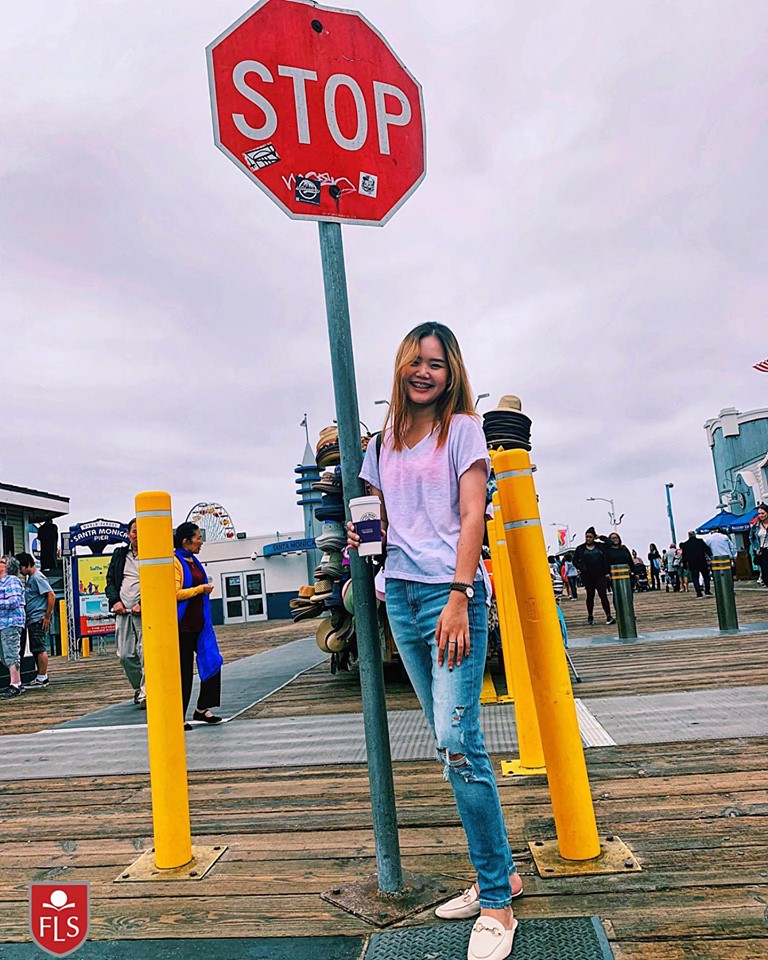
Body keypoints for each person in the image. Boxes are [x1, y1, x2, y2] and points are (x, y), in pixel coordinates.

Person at [348, 323, 521, 960]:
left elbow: (474, 514)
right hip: (398, 594)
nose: (425, 372)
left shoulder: (464, 429)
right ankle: (500, 874)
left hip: (450, 595)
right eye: (417, 361)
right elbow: (377, 517)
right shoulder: (381, 443)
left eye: (438, 364)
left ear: (452, 375)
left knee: (456, 739)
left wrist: (458, 594)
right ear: (402, 366)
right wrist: (363, 539)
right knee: (454, 746)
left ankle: (497, 902)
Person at [173, 522, 223, 729]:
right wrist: (201, 589)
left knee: (213, 661)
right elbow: (175, 593)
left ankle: (202, 708)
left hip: (201, 623)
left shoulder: (194, 561)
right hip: (182, 625)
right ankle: (179, 716)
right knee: (184, 672)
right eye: (198, 538)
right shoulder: (174, 562)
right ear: (186, 541)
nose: (201, 542)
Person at [105, 519, 145, 707]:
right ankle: (138, 686)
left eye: (142, 531)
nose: (138, 535)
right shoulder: (120, 554)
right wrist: (115, 601)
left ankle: (146, 692)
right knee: (125, 654)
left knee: (145, 653)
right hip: (123, 611)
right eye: (135, 531)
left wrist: (143, 603)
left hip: (145, 612)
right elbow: (110, 581)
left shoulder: (154, 555)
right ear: (128, 534)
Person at [16, 552, 55, 688]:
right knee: (35, 648)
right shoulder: (31, 579)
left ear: (27, 565)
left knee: (39, 647)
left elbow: (51, 595)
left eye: (21, 567)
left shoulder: (38, 578)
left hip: (38, 618)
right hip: (32, 618)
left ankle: (42, 677)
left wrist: (47, 616)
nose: (20, 571)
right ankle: (40, 675)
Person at [573, 529, 615, 626]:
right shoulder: (581, 548)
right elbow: (575, 561)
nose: (588, 539)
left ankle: (608, 615)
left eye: (590, 537)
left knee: (603, 596)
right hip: (588, 576)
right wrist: (581, 568)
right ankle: (590, 615)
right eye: (587, 537)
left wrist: (600, 536)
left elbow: (610, 543)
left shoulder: (600, 546)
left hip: (600, 575)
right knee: (590, 596)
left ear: (594, 537)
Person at [0, 556, 26, 698]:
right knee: (4, 655)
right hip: (3, 624)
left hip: (10, 622)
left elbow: (15, 601)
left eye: (2, 562)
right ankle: (17, 682)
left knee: (11, 653)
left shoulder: (12, 581)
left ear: (8, 567)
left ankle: (15, 684)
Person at [681, 531, 712, 598]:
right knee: (706, 576)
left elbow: (684, 556)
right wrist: (711, 556)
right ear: (694, 535)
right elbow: (707, 550)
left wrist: (685, 565)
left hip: (692, 563)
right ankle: (707, 591)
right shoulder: (700, 541)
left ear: (688, 535)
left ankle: (699, 593)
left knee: (695, 578)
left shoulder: (686, 545)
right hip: (702, 562)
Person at [750, 503, 768, 587]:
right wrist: (756, 548)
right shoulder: (756, 526)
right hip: (763, 551)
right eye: (759, 513)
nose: (761, 515)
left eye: (763, 513)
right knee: (766, 574)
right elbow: (751, 537)